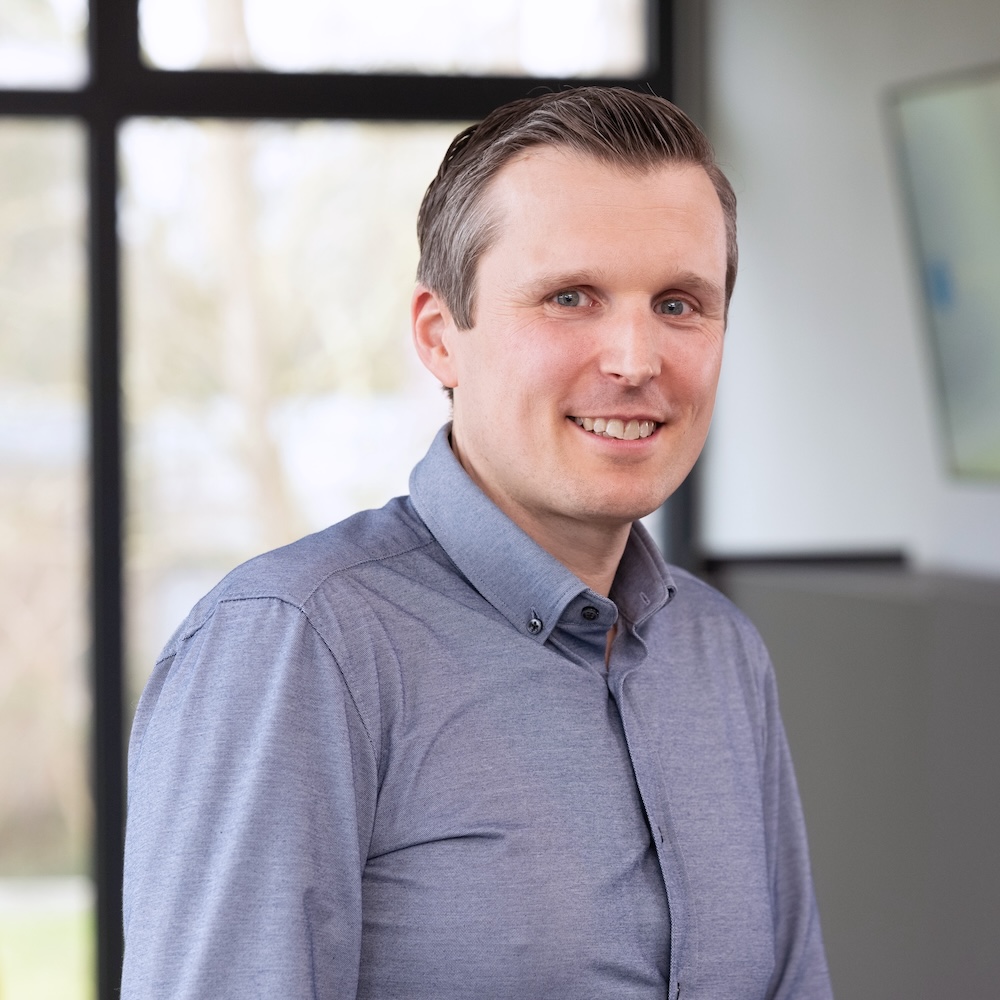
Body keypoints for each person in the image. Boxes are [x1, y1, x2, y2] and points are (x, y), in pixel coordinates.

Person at [121, 86, 833, 1000]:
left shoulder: (722, 655)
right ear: (439, 337)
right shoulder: (299, 646)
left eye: (679, 304)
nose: (635, 359)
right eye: (570, 297)